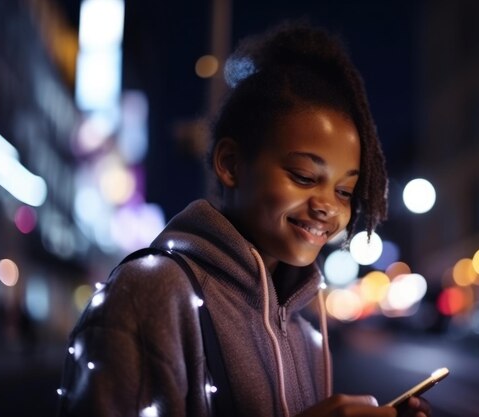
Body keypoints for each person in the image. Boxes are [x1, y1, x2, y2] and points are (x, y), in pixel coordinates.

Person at [56, 22, 432, 417]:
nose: (328, 207)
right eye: (304, 177)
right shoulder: (149, 294)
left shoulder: (305, 324)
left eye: (344, 191)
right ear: (231, 164)